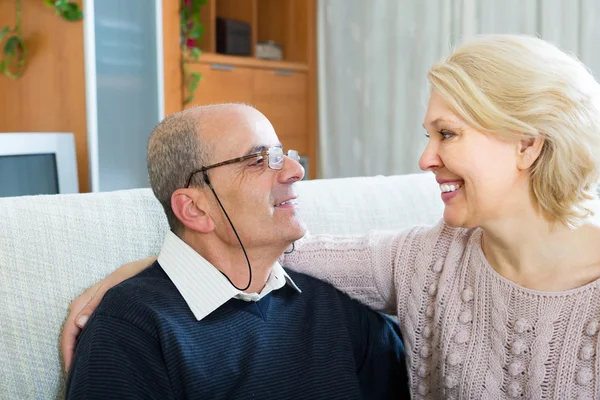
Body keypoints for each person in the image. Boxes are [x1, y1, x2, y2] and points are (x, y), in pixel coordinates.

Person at [63, 33, 600, 398]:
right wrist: (150, 269)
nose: (424, 158)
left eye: (448, 133)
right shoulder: (419, 261)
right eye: (260, 160)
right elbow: (246, 255)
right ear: (194, 207)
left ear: (528, 145)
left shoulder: (345, 312)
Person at [65, 103, 409, 399]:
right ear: (195, 210)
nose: (296, 170)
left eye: (281, 154)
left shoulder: (333, 303)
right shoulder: (130, 329)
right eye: (259, 160)